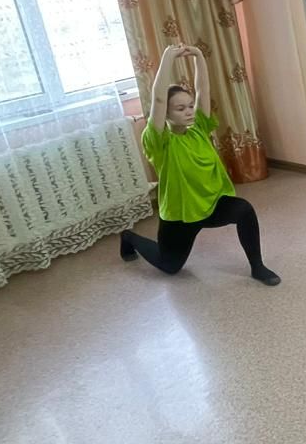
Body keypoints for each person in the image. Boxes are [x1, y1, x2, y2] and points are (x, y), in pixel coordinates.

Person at [120, 44, 280, 286]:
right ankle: (129, 237)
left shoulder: (199, 129)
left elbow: (203, 89)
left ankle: (257, 266)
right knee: (170, 266)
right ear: (166, 114)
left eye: (190, 106)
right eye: (180, 108)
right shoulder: (159, 142)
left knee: (244, 210)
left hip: (212, 204)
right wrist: (167, 58)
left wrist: (198, 56)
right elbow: (159, 98)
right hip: (181, 214)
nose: (189, 112)